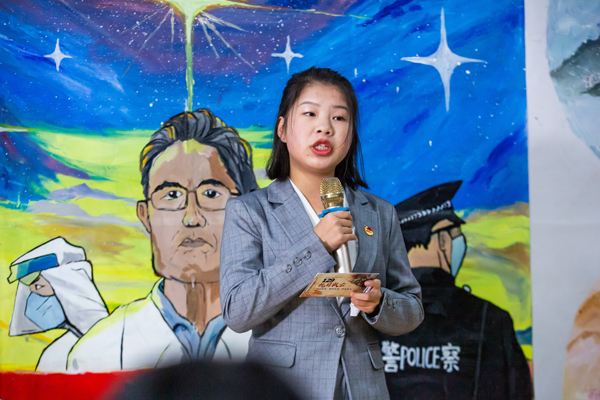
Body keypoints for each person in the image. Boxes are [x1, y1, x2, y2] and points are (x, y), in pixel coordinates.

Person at [220, 67, 424, 400]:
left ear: (351, 134)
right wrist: (317, 245)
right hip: (283, 388)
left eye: (339, 118)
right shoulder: (249, 211)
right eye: (310, 114)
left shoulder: (379, 213)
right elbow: (238, 312)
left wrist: (378, 304)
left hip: (362, 389)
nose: (324, 127)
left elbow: (412, 308)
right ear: (282, 129)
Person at [67, 108, 258, 372]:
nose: (191, 218)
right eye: (171, 195)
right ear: (145, 216)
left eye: (211, 194)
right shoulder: (97, 353)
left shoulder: (287, 339)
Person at [379, 181, 533, 400]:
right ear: (443, 241)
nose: (460, 241)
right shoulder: (491, 319)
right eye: (456, 233)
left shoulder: (373, 315)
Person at [7, 237, 109, 372]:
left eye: (39, 287)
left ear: (68, 288)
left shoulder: (117, 340)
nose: (34, 299)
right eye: (31, 291)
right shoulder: (53, 356)